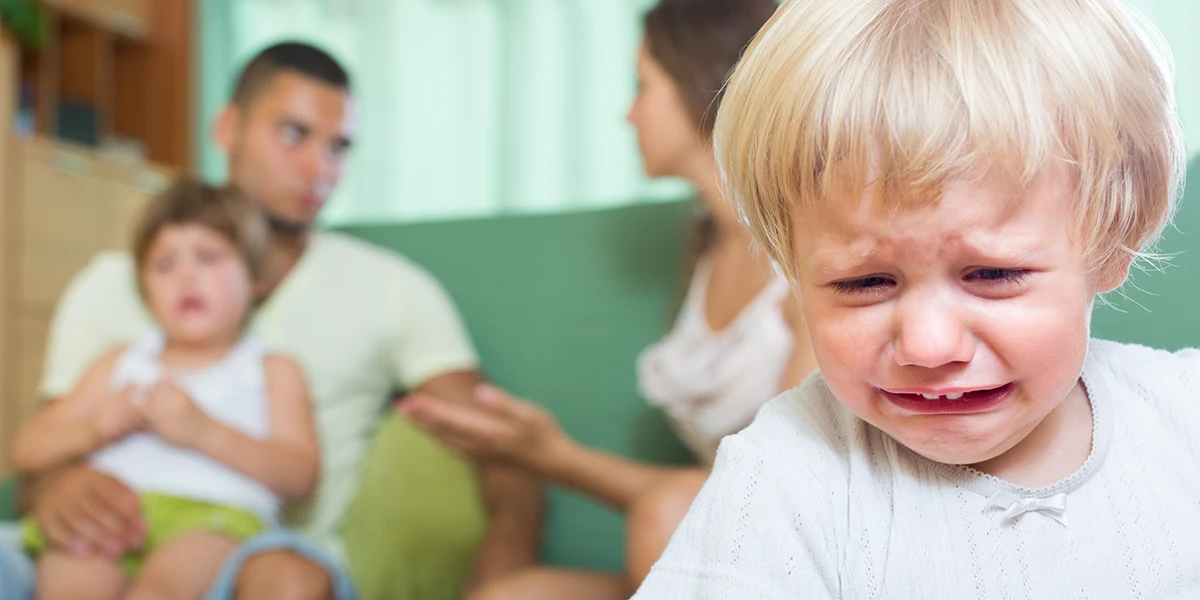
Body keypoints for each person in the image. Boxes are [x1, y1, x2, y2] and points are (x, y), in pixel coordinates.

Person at [632, 0, 1200, 597]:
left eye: (992, 274)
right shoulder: (786, 468)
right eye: (864, 283)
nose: (928, 347)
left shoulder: (1184, 415)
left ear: (1112, 246)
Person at [2, 42, 541, 600]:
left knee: (285, 580)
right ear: (228, 128)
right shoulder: (108, 284)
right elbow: (37, 460)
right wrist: (58, 488)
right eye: (293, 134)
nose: (319, 168)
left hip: (251, 545)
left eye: (339, 147)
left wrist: (509, 552)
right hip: (96, 545)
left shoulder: (394, 291)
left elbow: (503, 440)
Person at [400, 1, 814, 597]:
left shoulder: (807, 261)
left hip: (791, 555)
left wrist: (550, 456)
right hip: (706, 546)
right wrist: (534, 453)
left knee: (665, 510)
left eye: (641, 86)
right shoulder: (704, 247)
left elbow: (773, 496)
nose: (629, 113)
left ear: (704, 83)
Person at [13, 181, 320, 600]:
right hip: (111, 514)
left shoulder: (271, 368)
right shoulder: (119, 361)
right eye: (165, 264)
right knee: (70, 584)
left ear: (253, 276)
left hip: (213, 518)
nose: (186, 275)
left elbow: (300, 474)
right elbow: (26, 448)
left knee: (160, 592)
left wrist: (203, 432)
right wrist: (92, 430)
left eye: (208, 257)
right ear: (145, 289)